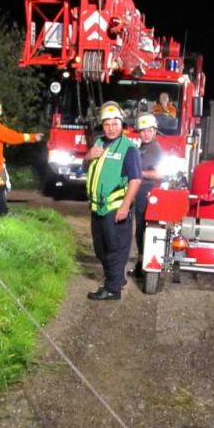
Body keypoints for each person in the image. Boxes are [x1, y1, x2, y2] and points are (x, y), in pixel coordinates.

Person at [83, 101, 142, 300]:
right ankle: (116, 278)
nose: (110, 128)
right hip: (97, 207)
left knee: (115, 249)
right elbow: (87, 167)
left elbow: (135, 179)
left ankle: (112, 289)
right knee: (100, 249)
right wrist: (88, 156)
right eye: (107, 124)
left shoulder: (129, 148)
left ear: (121, 124)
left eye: (114, 124)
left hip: (115, 208)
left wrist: (125, 206)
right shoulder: (98, 143)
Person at [129, 113, 163, 278]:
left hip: (149, 193)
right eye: (142, 131)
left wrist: (136, 173)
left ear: (155, 131)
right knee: (140, 230)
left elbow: (158, 174)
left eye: (149, 130)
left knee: (144, 229)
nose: (145, 134)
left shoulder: (155, 149)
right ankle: (141, 263)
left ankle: (144, 265)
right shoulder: (143, 147)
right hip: (141, 191)